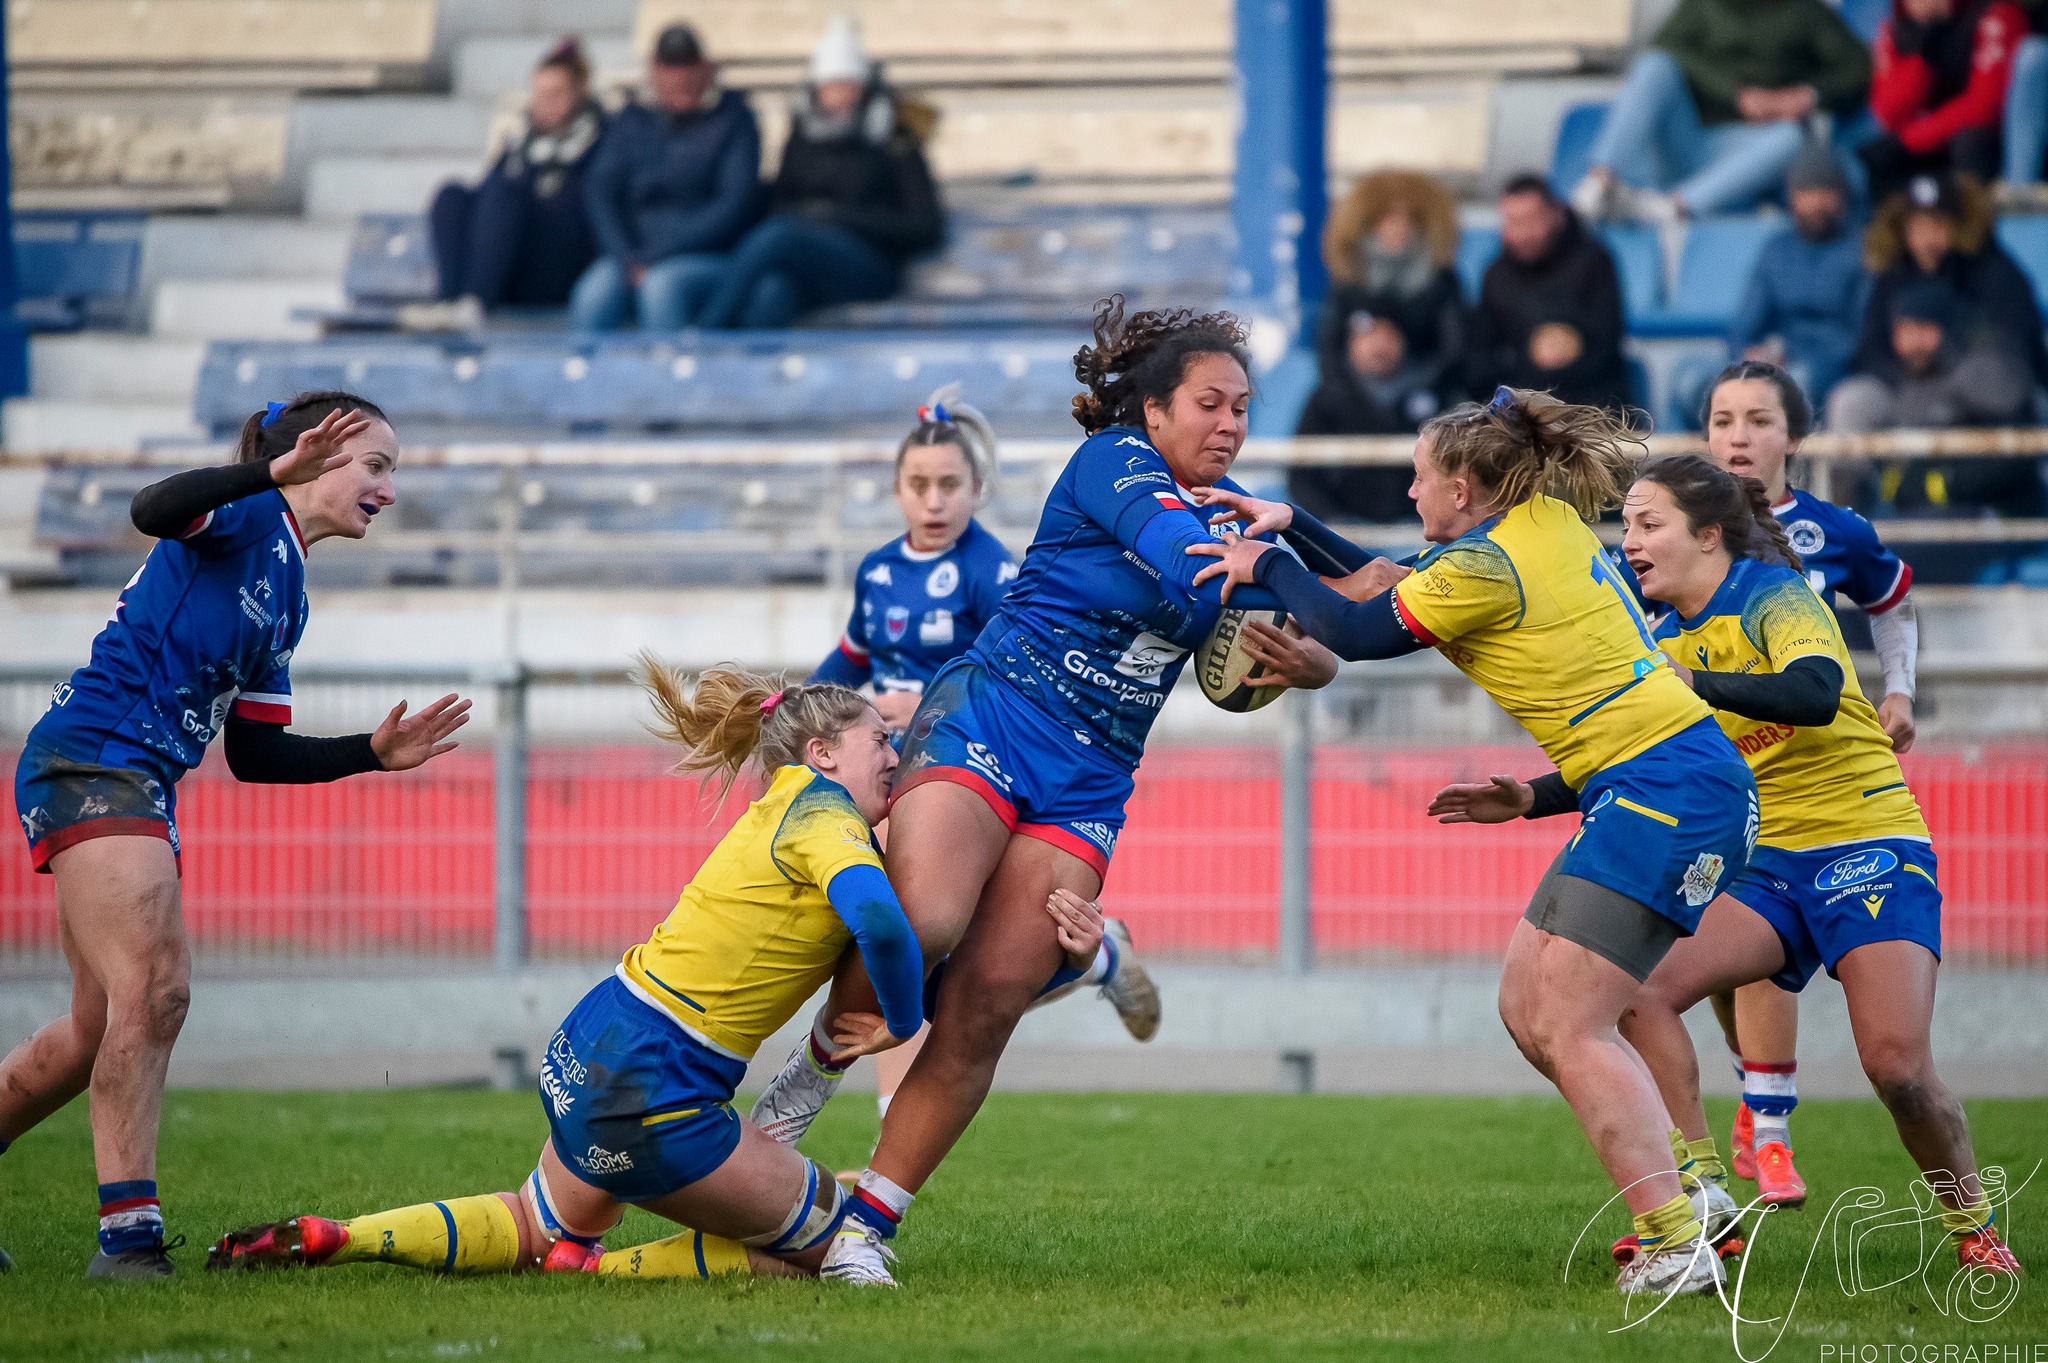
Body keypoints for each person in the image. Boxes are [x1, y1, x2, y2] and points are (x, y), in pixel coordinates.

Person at [749, 298, 1342, 1286]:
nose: (1231, 425)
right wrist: (1272, 575)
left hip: (1091, 777)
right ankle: (797, 1095)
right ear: (1151, 411)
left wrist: (1304, 661)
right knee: (928, 916)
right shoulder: (1116, 467)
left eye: (1242, 407)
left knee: (988, 1002)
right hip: (994, 715)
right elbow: (1183, 557)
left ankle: (861, 1233)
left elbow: (1320, 641)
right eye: (1210, 403)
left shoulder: (1234, 518)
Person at [209, 663, 1062, 1282]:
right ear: (822, 750)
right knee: (839, 1239)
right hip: (656, 1083)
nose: (898, 755)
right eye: (883, 738)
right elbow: (880, 918)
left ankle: (341, 1235)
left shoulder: (779, 803)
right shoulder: (824, 814)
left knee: (535, 1219)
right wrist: (906, 1021)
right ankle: (606, 1276)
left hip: (592, 1038)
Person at [1193, 387, 1760, 1296]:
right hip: (1658, 785)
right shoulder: (1537, 520)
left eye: (1419, 478)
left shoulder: (1488, 565)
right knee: (1528, 1005)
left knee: (1570, 1022)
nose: (1411, 493)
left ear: (1462, 486)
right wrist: (1293, 525)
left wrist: (1266, 564)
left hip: (1666, 788)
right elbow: (1390, 579)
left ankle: (1676, 1235)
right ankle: (1691, 1197)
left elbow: (1359, 626)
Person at [0, 393, 472, 1279]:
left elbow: (254, 753)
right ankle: (130, 1244)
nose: (390, 489)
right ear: (317, 456)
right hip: (96, 761)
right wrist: (268, 473)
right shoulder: (247, 512)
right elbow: (151, 509)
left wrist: (371, 751)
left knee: (92, 1029)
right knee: (160, 987)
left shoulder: (288, 586)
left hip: (133, 778)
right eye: (377, 464)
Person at [1607, 455, 2020, 1276]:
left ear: (1708, 536)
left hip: (1868, 841)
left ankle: (1974, 1225)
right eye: (1626, 526)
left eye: (1647, 524)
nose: (1630, 543)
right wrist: (1527, 794)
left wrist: (1696, 682)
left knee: (1897, 1067)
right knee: (1635, 990)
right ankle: (1704, 1199)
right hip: (1766, 863)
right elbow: (1626, 754)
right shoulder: (1659, 636)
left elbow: (1817, 691)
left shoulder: (1773, 595)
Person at [807, 386, 1164, 1088]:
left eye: (949, 485)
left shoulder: (990, 570)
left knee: (927, 951)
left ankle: (862, 1128)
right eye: (918, 485)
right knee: (926, 958)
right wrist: (794, 712)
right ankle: (1102, 960)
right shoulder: (878, 570)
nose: (933, 501)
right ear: (897, 491)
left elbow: (1014, 661)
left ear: (977, 489)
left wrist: (922, 697)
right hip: (887, 765)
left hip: (964, 762)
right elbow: (849, 659)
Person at [1696, 359, 1925, 1199]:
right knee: (1722, 956)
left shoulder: (1834, 532)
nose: (1738, 436)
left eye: (1758, 419)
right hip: (1727, 778)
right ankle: (1762, 1111)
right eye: (1723, 420)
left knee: (1762, 952)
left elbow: (1894, 598)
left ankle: (1771, 1129)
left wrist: (1899, 689)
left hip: (1824, 783)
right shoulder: (1683, 533)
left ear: (1793, 436)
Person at [693, 15, 942, 328]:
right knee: (773, 293)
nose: (841, 97)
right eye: (832, 87)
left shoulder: (895, 141)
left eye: (849, 86)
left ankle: (701, 338)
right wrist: (810, 217)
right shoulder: (801, 140)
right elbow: (780, 204)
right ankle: (732, 371)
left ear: (866, 88)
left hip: (872, 266)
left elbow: (925, 227)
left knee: (779, 237)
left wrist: (835, 217)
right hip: (809, 265)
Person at [1572, 0, 1871, 222]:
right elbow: (1666, 47)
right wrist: (1736, 94)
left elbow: (1859, 67)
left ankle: (1674, 208)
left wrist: (1805, 96)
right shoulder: (1704, 6)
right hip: (1689, 137)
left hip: (1750, 146)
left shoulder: (1806, 12)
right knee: (1655, 65)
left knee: (1792, 136)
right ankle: (1600, 180)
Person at [570, 23, 761, 332]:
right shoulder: (630, 122)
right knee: (593, 293)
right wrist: (623, 253)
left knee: (661, 288)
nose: (679, 78)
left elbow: (734, 205)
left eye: (687, 68)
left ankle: (667, 377)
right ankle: (583, 376)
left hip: (706, 256)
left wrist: (659, 255)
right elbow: (599, 192)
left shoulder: (734, 122)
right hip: (633, 256)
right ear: (654, 71)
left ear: (705, 69)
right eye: (671, 68)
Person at [419, 37, 605, 329]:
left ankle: (474, 301)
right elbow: (486, 199)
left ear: (580, 93)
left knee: (507, 193)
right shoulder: (520, 144)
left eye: (556, 93)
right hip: (514, 259)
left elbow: (590, 207)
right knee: (452, 195)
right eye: (540, 93)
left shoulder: (601, 140)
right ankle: (451, 303)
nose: (546, 103)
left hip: (563, 261)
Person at [1466, 176, 1631, 412]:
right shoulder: (1495, 275)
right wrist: (1528, 354)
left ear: (1556, 214)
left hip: (1593, 405)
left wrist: (1573, 346)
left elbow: (1608, 342)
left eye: (1531, 220)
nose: (1523, 233)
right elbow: (1481, 358)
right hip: (1520, 413)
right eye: (1513, 222)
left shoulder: (1594, 261)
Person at [1727, 144, 1871, 406]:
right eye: (1807, 192)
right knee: (1692, 381)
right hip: (1776, 363)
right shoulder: (1777, 249)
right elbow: (1745, 324)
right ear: (1792, 195)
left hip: (1832, 370)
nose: (1817, 202)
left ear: (1843, 195)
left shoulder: (1863, 249)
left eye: (1826, 191)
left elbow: (1861, 336)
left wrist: (1790, 359)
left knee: (1792, 386)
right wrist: (1749, 354)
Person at [1860, 0, 2026, 205]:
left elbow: (1984, 106)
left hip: (1986, 138)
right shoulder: (1898, 28)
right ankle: (1900, 234)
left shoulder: (1995, 14)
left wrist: (1911, 139)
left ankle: (1976, 230)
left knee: (1968, 143)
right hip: (1926, 137)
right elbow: (1889, 112)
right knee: (1879, 158)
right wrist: (1920, 55)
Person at [1293, 309, 1448, 522]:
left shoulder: (1434, 395)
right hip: (1346, 531)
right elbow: (1302, 475)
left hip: (1417, 530)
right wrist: (1335, 523)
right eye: (1369, 335)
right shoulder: (1326, 399)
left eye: (1389, 334)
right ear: (1350, 343)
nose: (1379, 345)